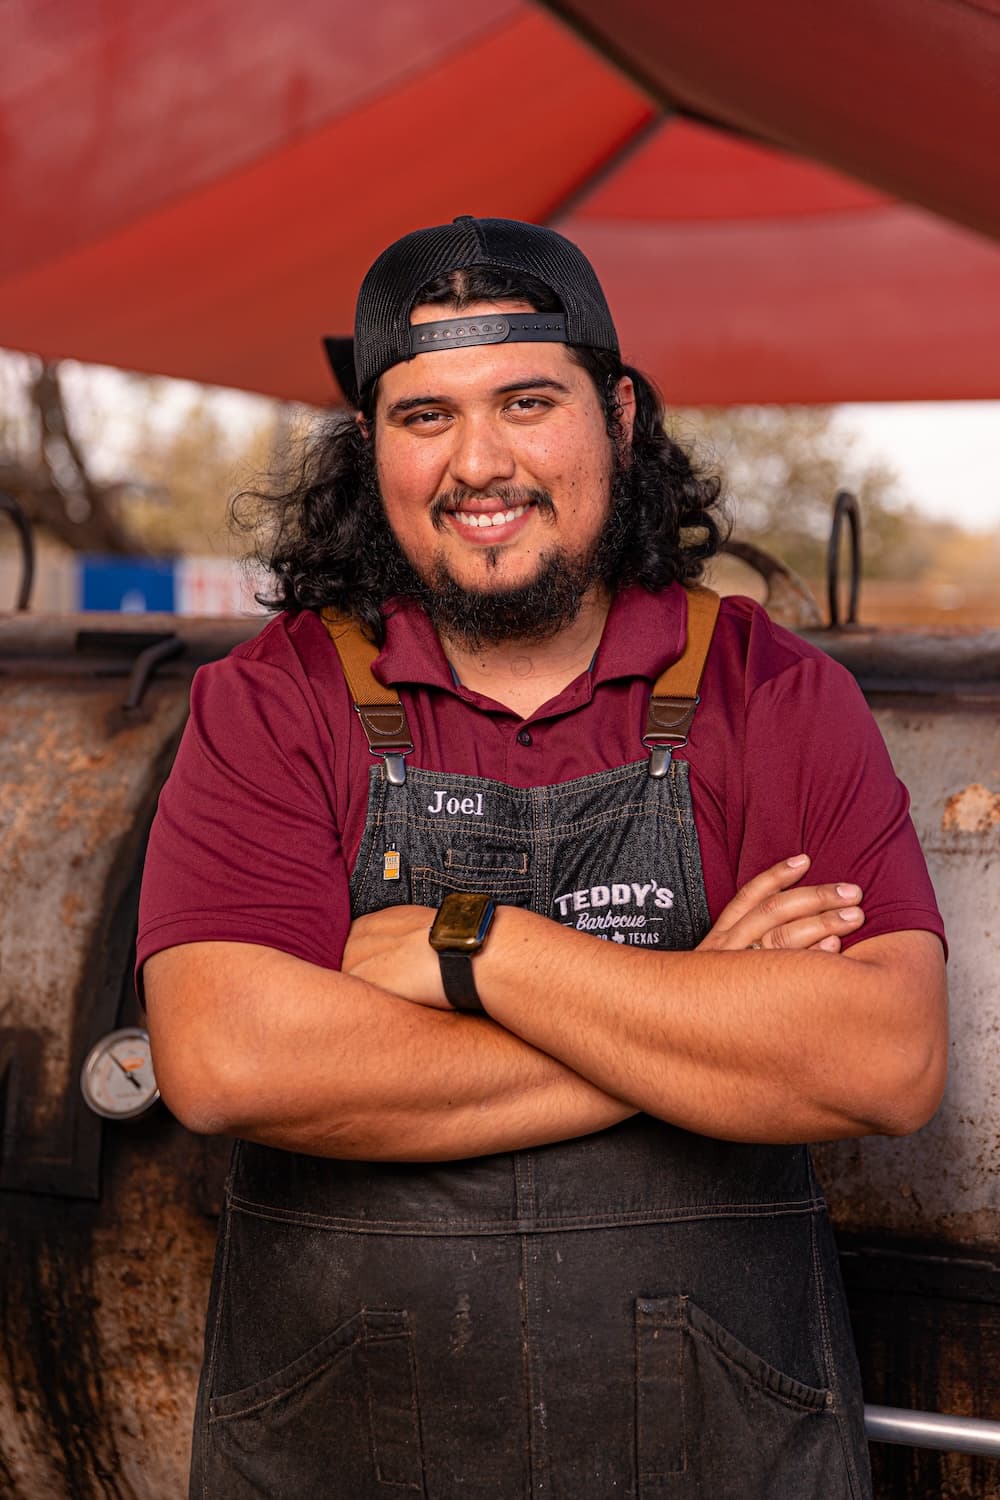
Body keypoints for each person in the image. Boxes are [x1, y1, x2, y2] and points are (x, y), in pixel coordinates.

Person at [139, 216, 947, 1500]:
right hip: (340, 1456)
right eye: (424, 417)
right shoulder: (274, 699)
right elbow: (229, 1060)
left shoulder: (768, 690)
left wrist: (480, 950)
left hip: (719, 1454)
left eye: (527, 401)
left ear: (617, 416)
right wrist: (696, 1025)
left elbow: (883, 1061)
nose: (479, 463)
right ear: (371, 447)